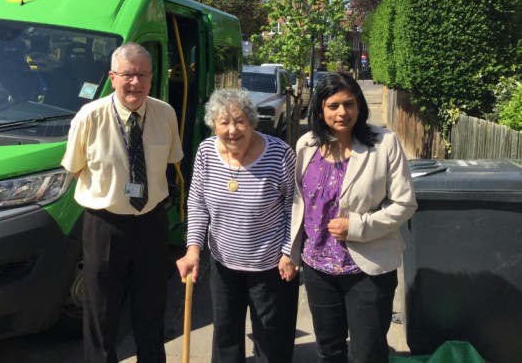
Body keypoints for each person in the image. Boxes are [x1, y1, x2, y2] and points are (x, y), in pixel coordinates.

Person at [62, 42, 183, 363]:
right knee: (101, 312)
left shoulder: (165, 114)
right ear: (112, 77)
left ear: (152, 77)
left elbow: (171, 162)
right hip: (105, 225)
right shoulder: (90, 116)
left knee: (151, 308)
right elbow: (75, 167)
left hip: (151, 222)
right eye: (128, 75)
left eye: (143, 75)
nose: (136, 83)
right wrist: (110, 192)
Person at [290, 72, 417, 363]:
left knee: (368, 353)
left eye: (349, 104)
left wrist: (358, 227)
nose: (342, 112)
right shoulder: (306, 145)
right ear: (320, 110)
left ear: (360, 106)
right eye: (333, 105)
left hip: (368, 269)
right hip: (318, 267)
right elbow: (300, 203)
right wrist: (292, 251)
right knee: (329, 350)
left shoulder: (384, 143)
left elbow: (405, 203)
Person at [176, 88, 299, 363]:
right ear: (214, 125)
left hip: (270, 266)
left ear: (252, 121)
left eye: (240, 121)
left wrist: (289, 252)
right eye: (224, 122)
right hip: (223, 264)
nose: (232, 130)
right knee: (225, 337)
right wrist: (193, 249)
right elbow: (197, 202)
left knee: (271, 340)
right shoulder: (206, 151)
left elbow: (295, 207)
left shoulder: (280, 154)